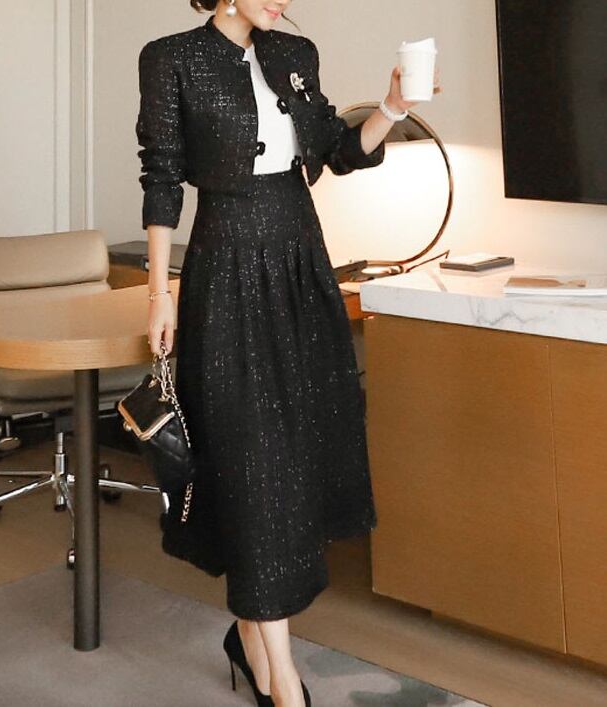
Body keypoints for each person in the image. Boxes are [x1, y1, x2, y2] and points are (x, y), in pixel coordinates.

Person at [136, 2, 441, 705]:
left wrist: (393, 106)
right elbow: (161, 178)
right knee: (250, 463)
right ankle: (283, 685)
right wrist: (159, 293)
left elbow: (336, 151)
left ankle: (251, 638)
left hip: (301, 265)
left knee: (294, 459)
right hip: (226, 266)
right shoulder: (171, 58)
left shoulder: (293, 55)